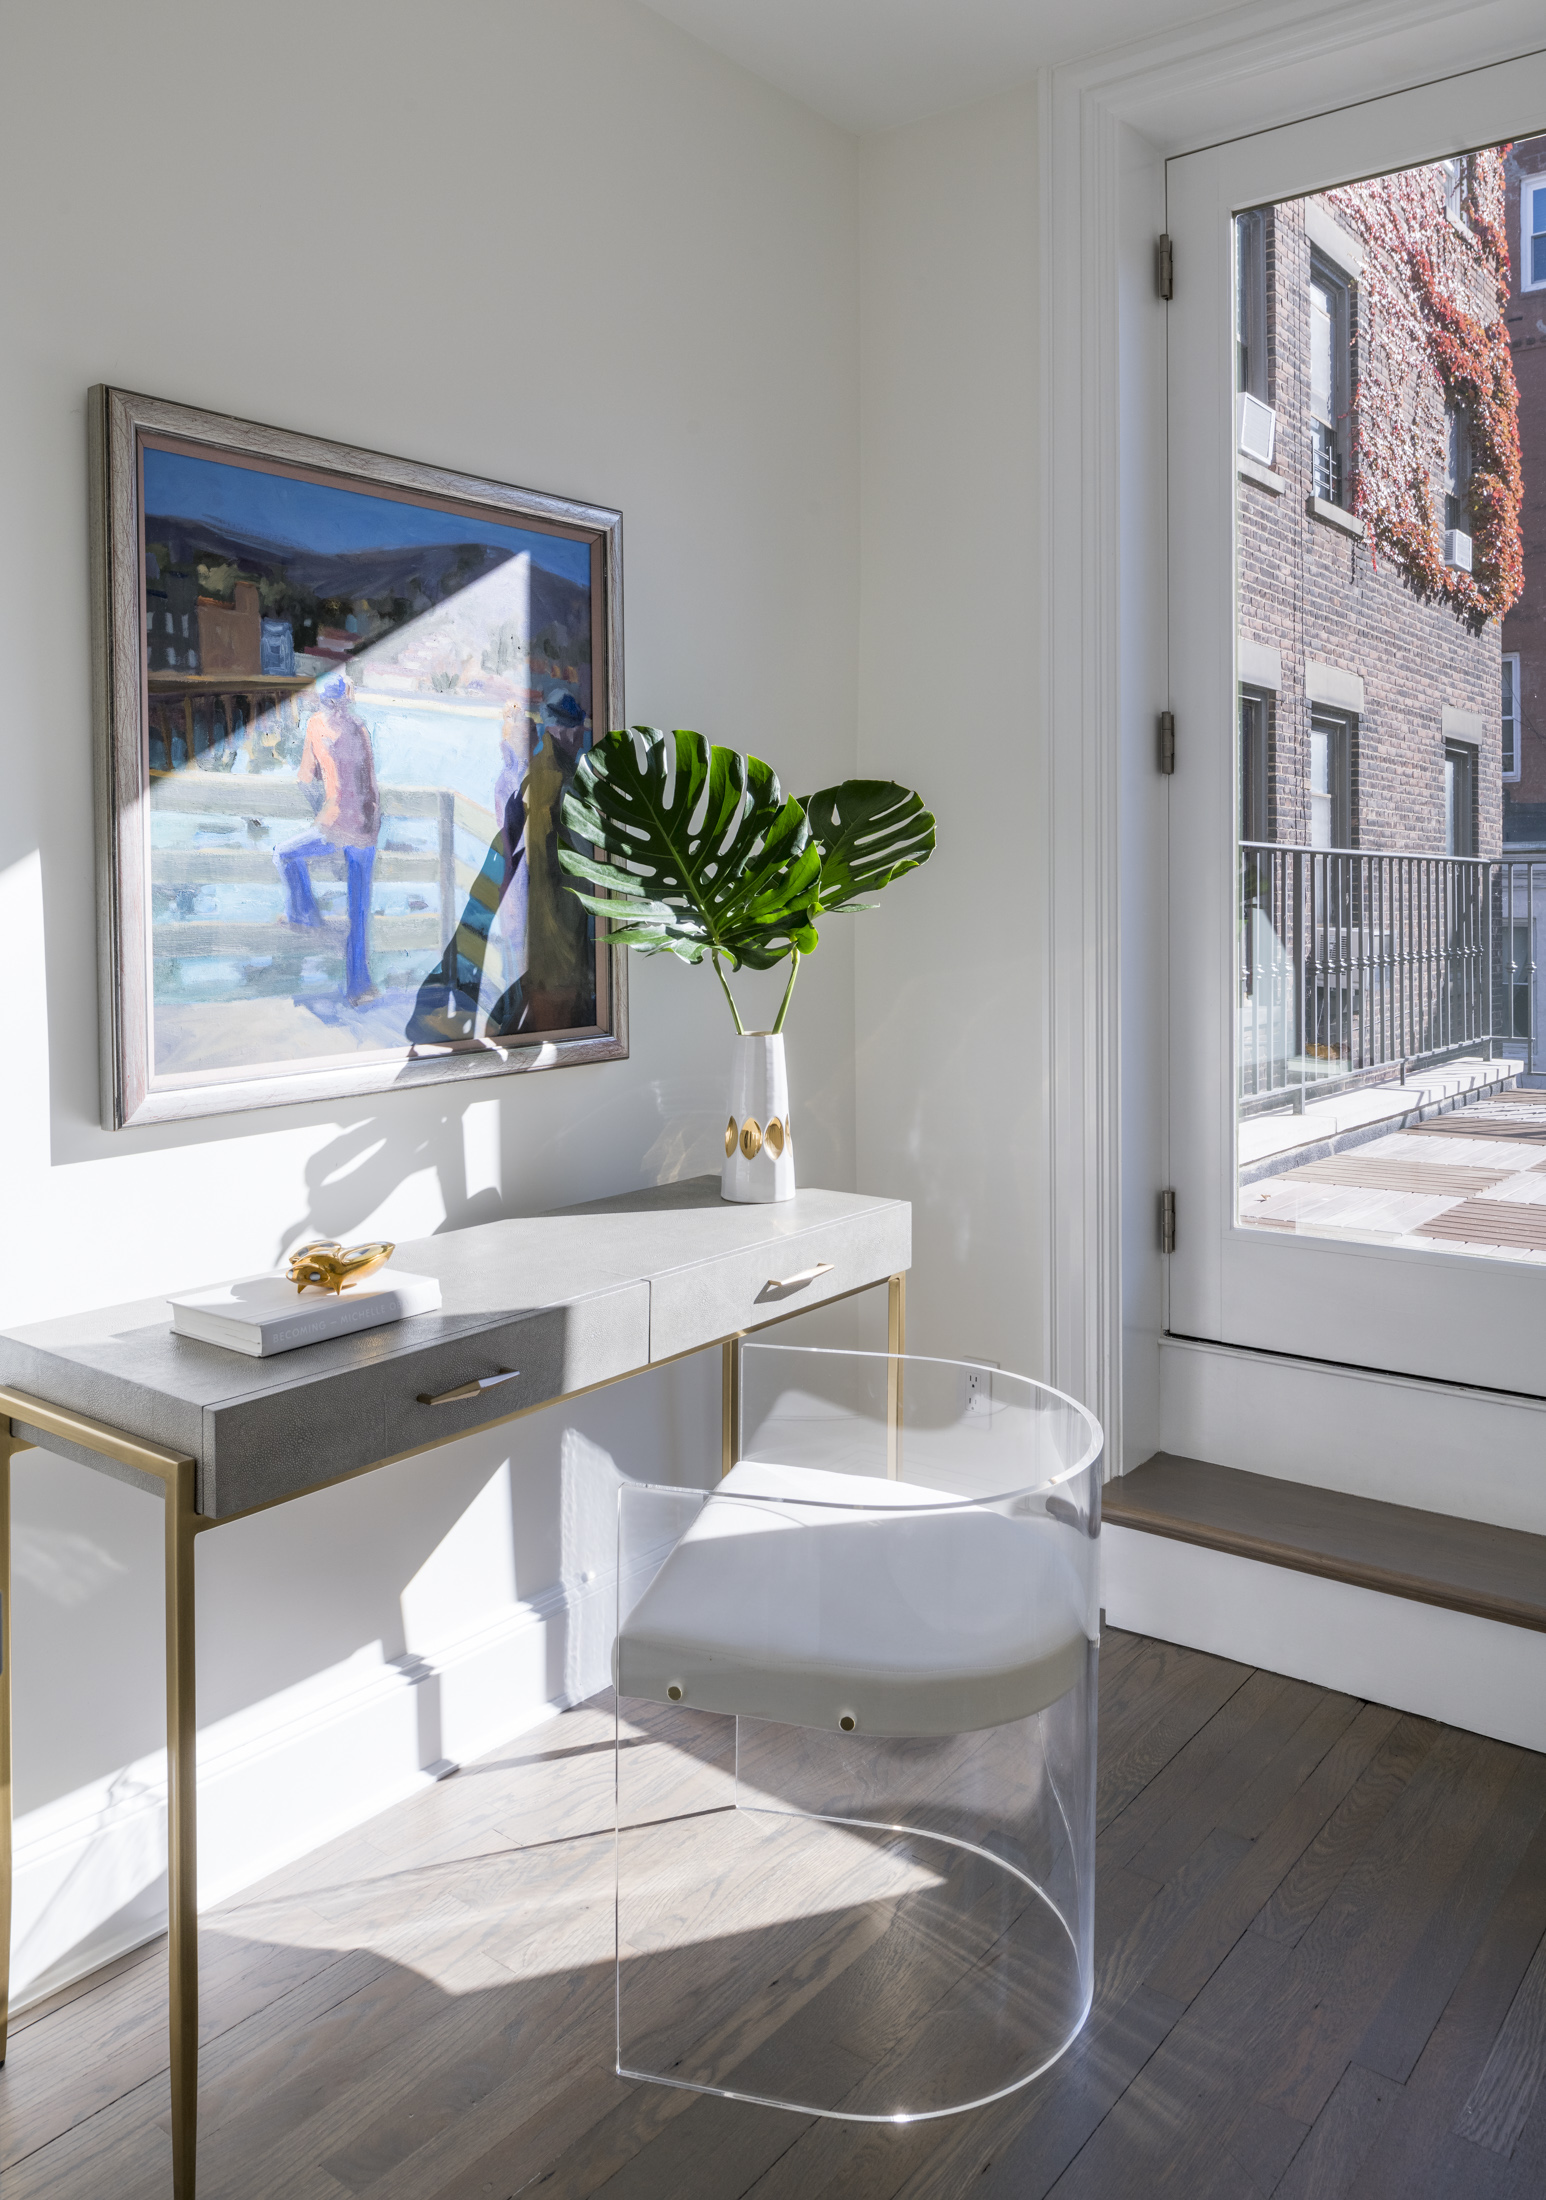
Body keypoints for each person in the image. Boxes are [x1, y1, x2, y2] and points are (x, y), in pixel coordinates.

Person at [276, 672, 381, 1004]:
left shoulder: (316, 727)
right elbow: (372, 785)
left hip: (334, 826)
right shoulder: (360, 728)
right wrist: (373, 823)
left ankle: (304, 915)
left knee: (283, 853)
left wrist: (321, 805)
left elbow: (305, 778)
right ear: (347, 700)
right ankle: (358, 987)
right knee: (359, 912)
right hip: (364, 828)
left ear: (323, 701)